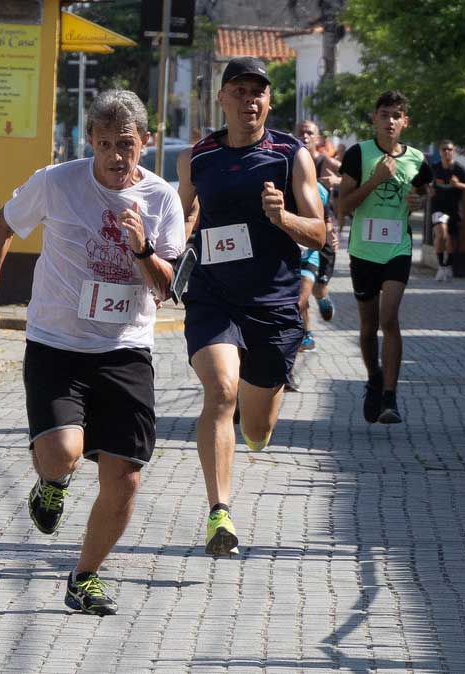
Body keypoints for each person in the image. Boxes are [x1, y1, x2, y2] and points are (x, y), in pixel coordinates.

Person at [0, 90, 183, 615]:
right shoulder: (56, 182)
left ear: (146, 143)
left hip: (125, 348)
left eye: (127, 144)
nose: (115, 155)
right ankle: (50, 482)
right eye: (105, 143)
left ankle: (84, 576)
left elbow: (166, 288)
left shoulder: (162, 200)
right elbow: (1, 226)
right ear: (89, 140)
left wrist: (142, 249)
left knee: (126, 475)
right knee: (63, 454)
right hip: (57, 344)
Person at [175, 57, 327, 557]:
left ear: (269, 100)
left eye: (258, 92)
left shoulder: (290, 155)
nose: (249, 100)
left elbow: (321, 232)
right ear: (222, 98)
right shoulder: (197, 156)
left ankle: (253, 424)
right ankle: (220, 513)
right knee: (220, 391)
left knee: (257, 428)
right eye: (239, 91)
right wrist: (163, 257)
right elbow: (184, 215)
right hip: (215, 295)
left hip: (274, 302)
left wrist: (283, 217)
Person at [335, 90, 432, 425]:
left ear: (405, 121)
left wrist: (419, 201)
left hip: (397, 248)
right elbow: (342, 206)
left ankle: (390, 396)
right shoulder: (358, 155)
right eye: (384, 114)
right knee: (368, 326)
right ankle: (374, 377)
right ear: (374, 118)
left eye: (396, 115)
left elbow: (422, 194)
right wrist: (375, 180)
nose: (390, 121)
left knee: (389, 319)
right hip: (363, 250)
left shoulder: (418, 159)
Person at [296, 120, 341, 330]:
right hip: (300, 234)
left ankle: (323, 299)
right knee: (302, 291)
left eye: (310, 132)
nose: (305, 135)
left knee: (319, 288)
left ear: (317, 138)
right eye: (302, 132)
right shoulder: (292, 159)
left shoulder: (324, 161)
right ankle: (306, 333)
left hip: (324, 228)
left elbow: (351, 177)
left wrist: (337, 181)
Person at [428, 140, 465, 281]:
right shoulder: (434, 168)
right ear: (440, 152)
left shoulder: (459, 169)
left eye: (449, 149)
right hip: (438, 208)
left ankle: (448, 266)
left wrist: (458, 184)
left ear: (453, 151)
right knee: (441, 231)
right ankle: (441, 267)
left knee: (450, 241)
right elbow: (424, 183)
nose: (446, 152)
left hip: (454, 209)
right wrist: (428, 190)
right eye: (443, 149)